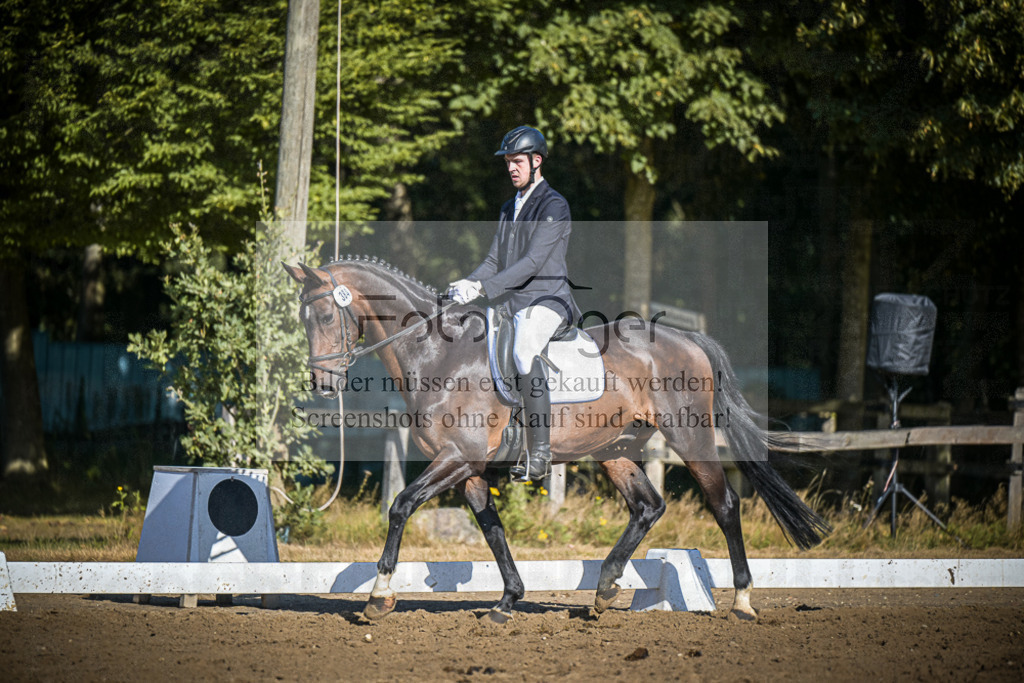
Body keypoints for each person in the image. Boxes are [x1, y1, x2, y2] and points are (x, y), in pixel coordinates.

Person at [447, 125, 578, 482]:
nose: (511, 168)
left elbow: (532, 264)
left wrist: (484, 287)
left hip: (546, 300)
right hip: (511, 301)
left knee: (523, 352)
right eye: (507, 162)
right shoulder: (510, 206)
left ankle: (540, 454)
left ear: (536, 161)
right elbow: (494, 260)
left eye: (517, 161)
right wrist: (468, 285)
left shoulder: (554, 205)